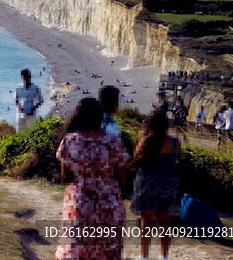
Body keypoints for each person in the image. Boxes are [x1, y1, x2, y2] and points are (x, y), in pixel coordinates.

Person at [55, 98, 129, 260]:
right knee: (106, 250)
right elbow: (123, 174)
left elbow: (65, 174)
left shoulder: (69, 141)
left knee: (78, 247)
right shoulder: (113, 142)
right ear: (99, 118)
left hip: (80, 200)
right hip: (109, 200)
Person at [129, 110, 181, 260]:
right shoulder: (175, 143)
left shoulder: (144, 140)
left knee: (147, 221)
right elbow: (176, 159)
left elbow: (136, 160)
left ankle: (144, 256)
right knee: (165, 220)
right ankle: (164, 256)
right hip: (168, 181)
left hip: (147, 181)